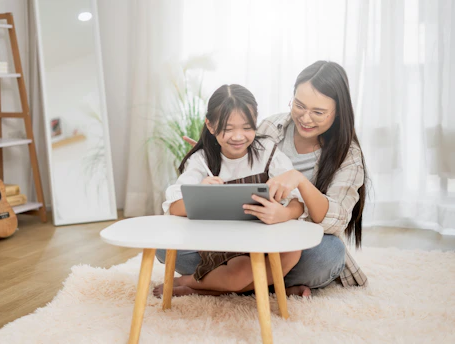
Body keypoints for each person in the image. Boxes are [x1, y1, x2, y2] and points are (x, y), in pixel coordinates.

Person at [156, 61, 368, 298]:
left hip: (287, 237)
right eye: (299, 105)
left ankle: (208, 284)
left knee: (326, 255)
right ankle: (273, 286)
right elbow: (236, 145)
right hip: (233, 236)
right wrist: (217, 152)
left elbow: (335, 221)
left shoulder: (349, 156)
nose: (305, 118)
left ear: (338, 112)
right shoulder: (270, 127)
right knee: (166, 246)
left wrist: (296, 188)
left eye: (318, 112)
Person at [153, 84, 306, 297]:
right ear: (211, 125)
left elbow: (298, 202)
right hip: (223, 243)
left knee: (293, 252)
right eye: (228, 128)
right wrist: (200, 192)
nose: (238, 136)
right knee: (240, 273)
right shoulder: (202, 160)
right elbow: (174, 207)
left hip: (261, 236)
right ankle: (187, 281)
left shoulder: (267, 152)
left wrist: (285, 213)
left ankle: (203, 289)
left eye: (246, 127)